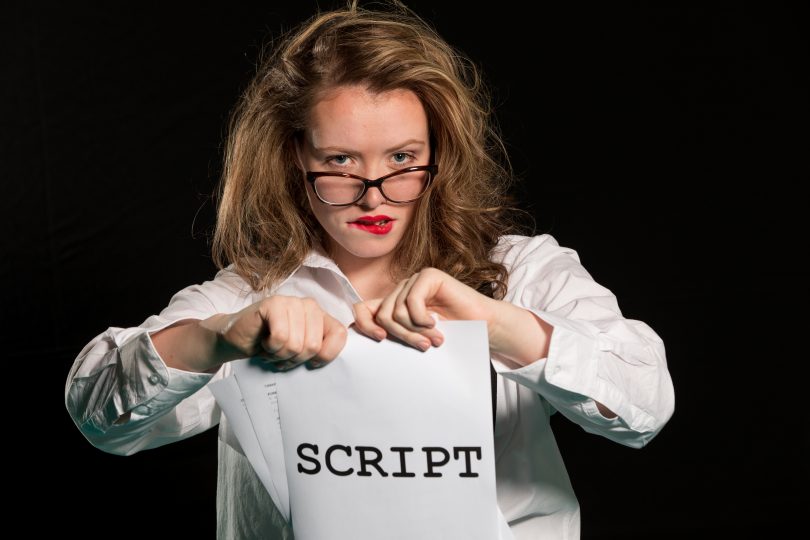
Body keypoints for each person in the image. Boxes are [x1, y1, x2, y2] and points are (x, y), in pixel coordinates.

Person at [65, 1, 675, 538]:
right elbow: (102, 420)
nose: (374, 194)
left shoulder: (520, 268)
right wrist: (215, 339)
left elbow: (646, 405)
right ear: (293, 157)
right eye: (340, 160)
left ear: (439, 152)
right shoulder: (249, 295)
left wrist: (498, 323)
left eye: (403, 158)